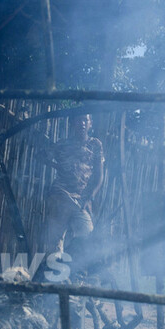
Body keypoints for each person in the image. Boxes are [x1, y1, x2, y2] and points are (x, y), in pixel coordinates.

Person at [37, 114, 104, 278]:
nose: (81, 123)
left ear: (90, 123)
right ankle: (54, 281)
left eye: (85, 120)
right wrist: (57, 166)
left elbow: (100, 177)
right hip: (60, 194)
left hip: (80, 200)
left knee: (87, 233)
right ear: (72, 123)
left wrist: (90, 197)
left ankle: (74, 273)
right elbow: (40, 156)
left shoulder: (95, 145)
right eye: (78, 119)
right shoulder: (62, 144)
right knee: (55, 241)